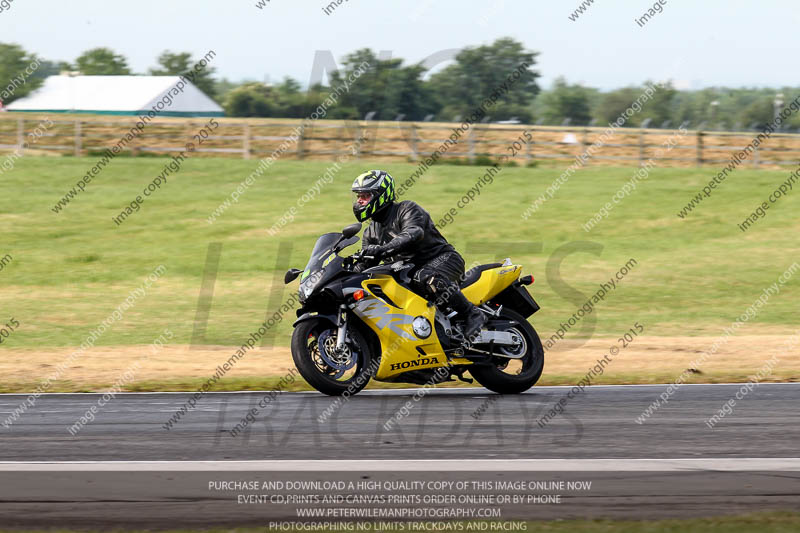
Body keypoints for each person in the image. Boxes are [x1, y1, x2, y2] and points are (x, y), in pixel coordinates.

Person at [350, 169, 487, 339]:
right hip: (409, 272)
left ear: (381, 194)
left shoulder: (406, 208)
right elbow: (365, 265)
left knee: (425, 276)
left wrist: (381, 250)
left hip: (443, 259)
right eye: (358, 196)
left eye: (365, 196)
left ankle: (472, 314)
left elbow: (413, 233)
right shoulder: (370, 233)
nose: (360, 202)